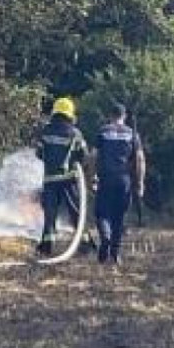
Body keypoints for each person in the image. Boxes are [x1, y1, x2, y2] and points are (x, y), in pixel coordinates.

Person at [92, 102, 145, 266]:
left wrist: (91, 177)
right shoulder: (132, 133)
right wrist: (140, 183)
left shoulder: (103, 131)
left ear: (110, 115)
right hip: (124, 180)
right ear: (125, 117)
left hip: (105, 178)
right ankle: (115, 255)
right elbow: (140, 159)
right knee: (119, 217)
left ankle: (105, 238)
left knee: (101, 213)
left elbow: (93, 156)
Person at [35, 97, 89, 257]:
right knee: (76, 212)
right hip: (69, 179)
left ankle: (46, 246)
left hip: (50, 179)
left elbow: (39, 154)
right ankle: (84, 243)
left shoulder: (45, 131)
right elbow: (84, 155)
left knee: (50, 214)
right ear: (70, 114)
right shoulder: (75, 133)